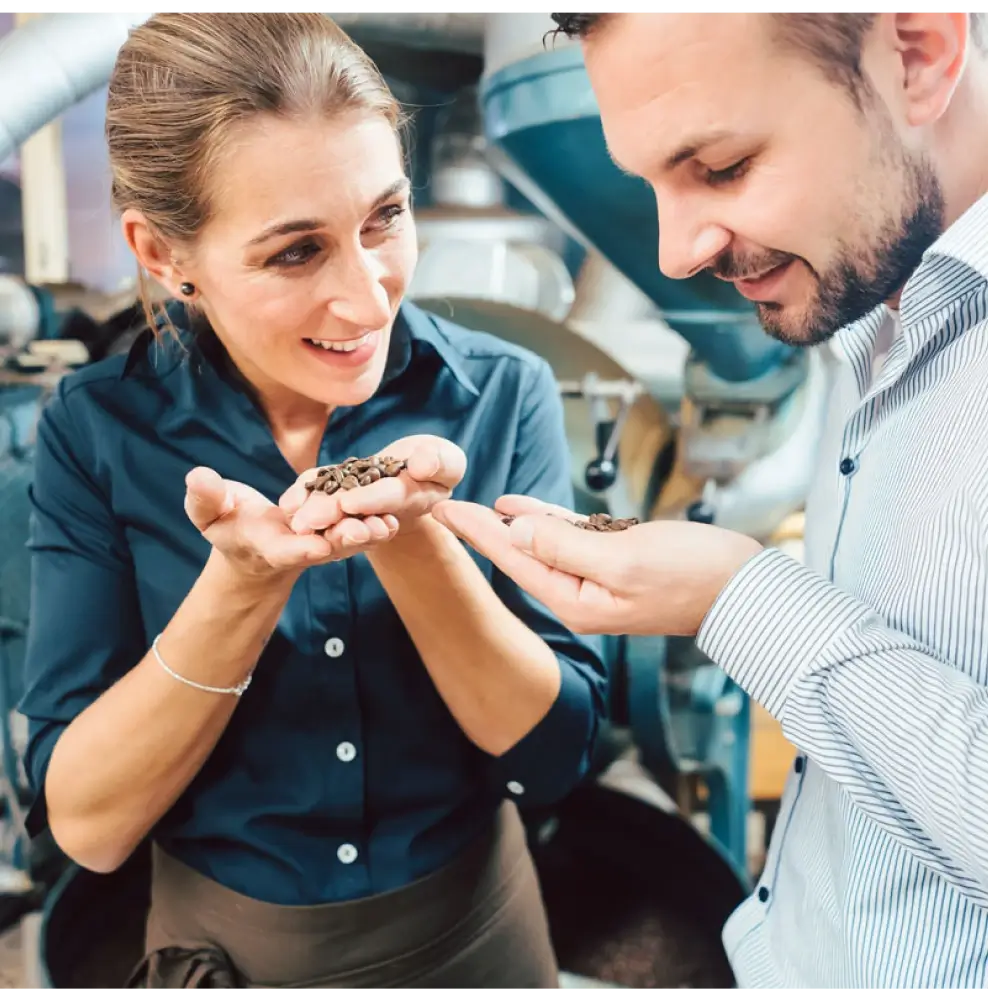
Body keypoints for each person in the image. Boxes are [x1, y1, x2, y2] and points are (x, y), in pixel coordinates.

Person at [17, 11, 607, 989]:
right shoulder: (98, 428)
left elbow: (551, 759)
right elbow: (89, 825)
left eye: (384, 217)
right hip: (226, 950)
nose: (370, 299)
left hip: (475, 940)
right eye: (296, 252)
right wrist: (241, 585)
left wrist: (411, 537)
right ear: (165, 255)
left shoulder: (503, 394)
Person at [434, 9, 988, 989]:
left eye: (721, 168)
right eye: (647, 182)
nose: (676, 250)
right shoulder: (872, 316)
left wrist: (738, 596)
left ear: (917, 54)